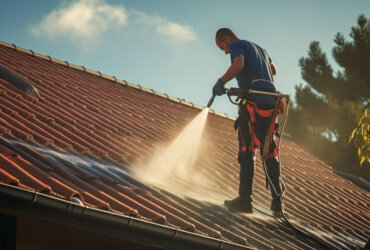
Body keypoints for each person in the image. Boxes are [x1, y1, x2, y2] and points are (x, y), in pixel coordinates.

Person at [212, 28, 284, 216]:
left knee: (247, 149)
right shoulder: (261, 50)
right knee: (269, 151)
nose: (226, 52)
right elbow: (273, 70)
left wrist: (221, 81)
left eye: (223, 48)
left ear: (225, 39)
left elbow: (239, 65)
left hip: (252, 103)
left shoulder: (237, 45)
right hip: (270, 103)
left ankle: (245, 200)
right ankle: (278, 203)